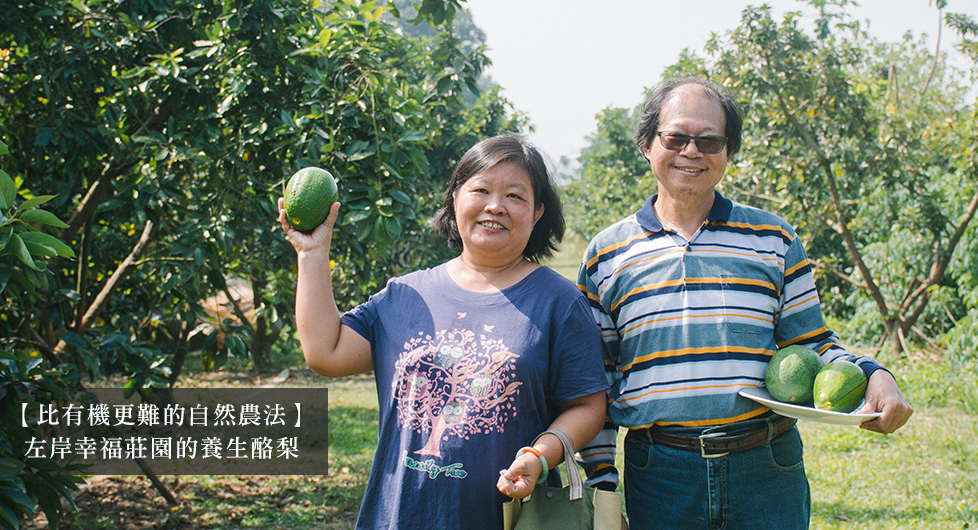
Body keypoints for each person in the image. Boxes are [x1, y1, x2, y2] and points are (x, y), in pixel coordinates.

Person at [575, 78, 913, 529]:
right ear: (646, 144)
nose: (692, 151)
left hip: (766, 466)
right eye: (676, 137)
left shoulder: (773, 239)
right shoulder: (606, 254)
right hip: (659, 473)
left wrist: (877, 375)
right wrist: (603, 490)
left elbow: (812, 345)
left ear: (728, 151)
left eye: (710, 141)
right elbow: (594, 382)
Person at [278, 134, 608, 530]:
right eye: (480, 189)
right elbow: (324, 351)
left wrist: (540, 456)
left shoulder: (558, 302)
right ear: (455, 199)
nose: (495, 206)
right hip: (401, 516)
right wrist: (312, 253)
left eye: (515, 196)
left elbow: (587, 406)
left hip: (503, 515)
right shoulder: (406, 295)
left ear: (538, 212)